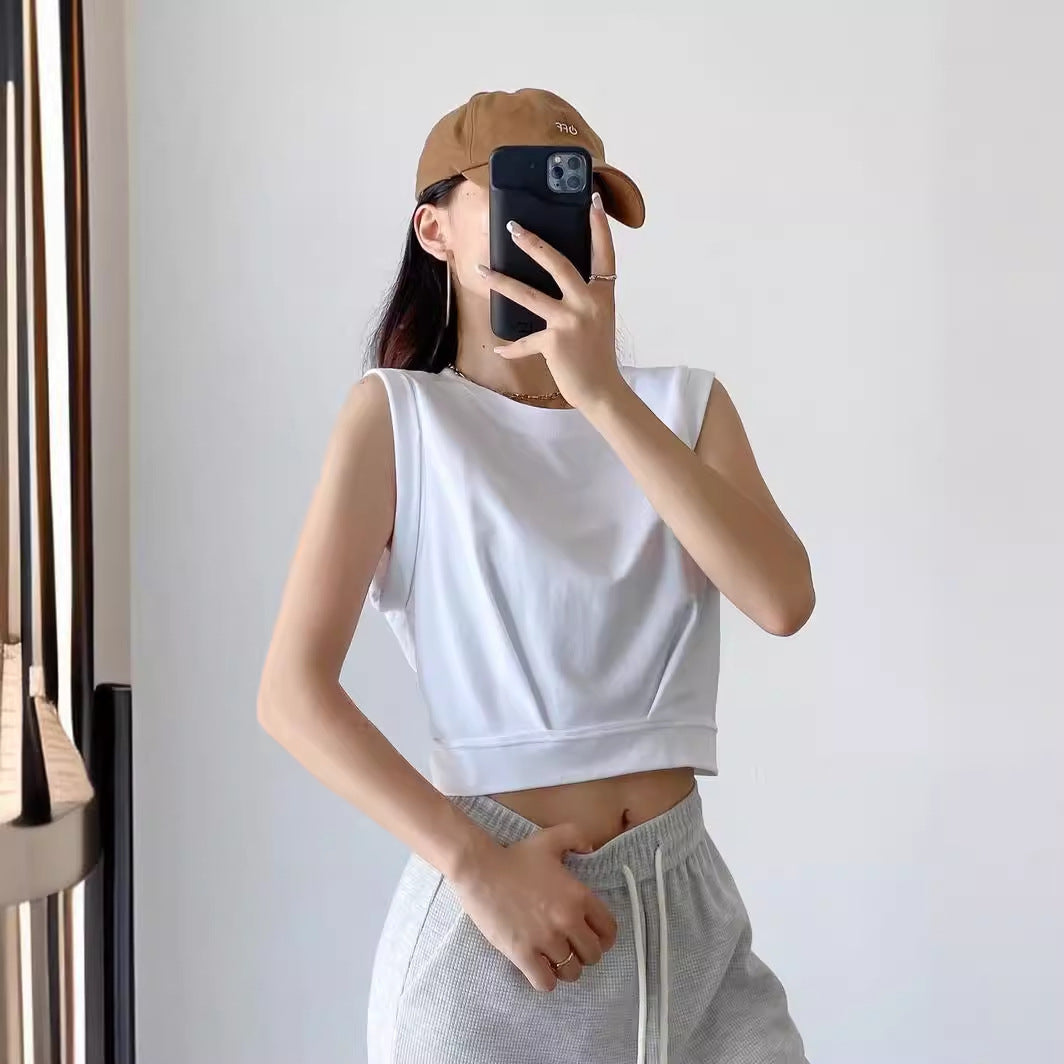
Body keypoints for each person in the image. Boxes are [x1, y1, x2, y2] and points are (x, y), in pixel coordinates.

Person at [257, 87, 815, 1064]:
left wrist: (600, 393)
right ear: (433, 229)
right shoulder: (399, 419)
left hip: (688, 929)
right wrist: (476, 867)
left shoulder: (683, 409)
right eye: (523, 194)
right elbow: (290, 695)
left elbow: (781, 599)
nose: (556, 225)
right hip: (500, 933)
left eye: (580, 199)